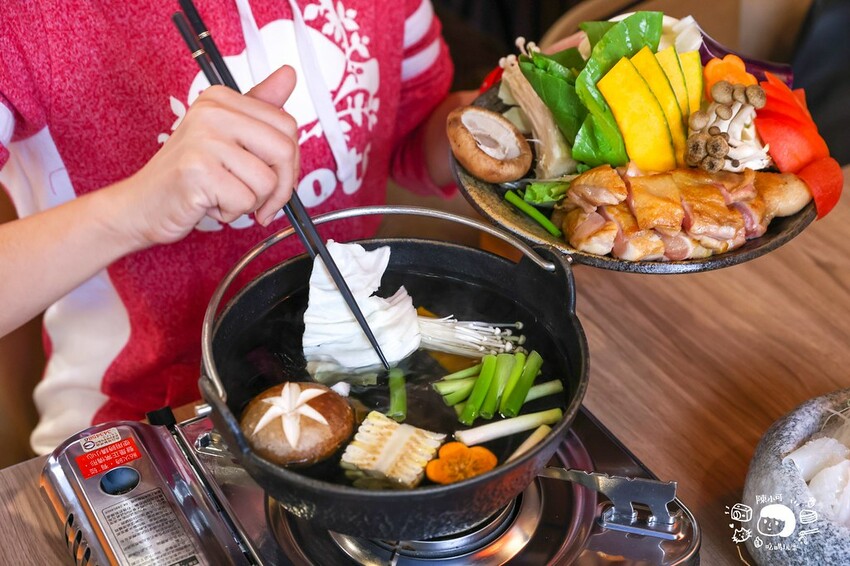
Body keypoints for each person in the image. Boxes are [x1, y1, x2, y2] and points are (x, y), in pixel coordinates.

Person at [0, 0, 476, 454]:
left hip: (350, 374)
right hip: (139, 421)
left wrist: (497, 113)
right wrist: (136, 209)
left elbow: (411, 136)